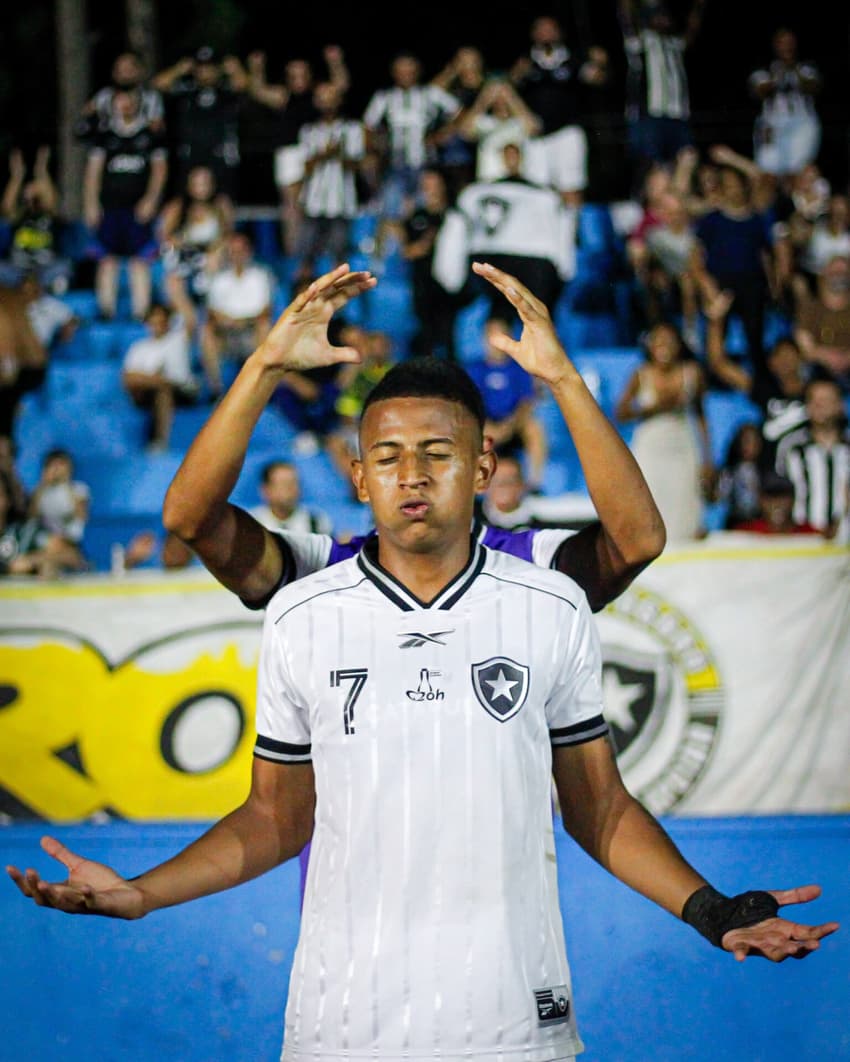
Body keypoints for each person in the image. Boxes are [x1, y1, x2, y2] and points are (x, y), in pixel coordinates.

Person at [8, 267, 838, 1062]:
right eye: (390, 457)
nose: (413, 475)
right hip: (342, 1026)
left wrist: (709, 910)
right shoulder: (308, 590)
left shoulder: (544, 591)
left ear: (481, 469)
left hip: (518, 1023)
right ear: (358, 475)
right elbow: (271, 813)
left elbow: (601, 802)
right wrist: (263, 362)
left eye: (438, 454)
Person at [433, 141, 576, 319]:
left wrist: (565, 266)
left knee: (536, 316)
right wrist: (450, 276)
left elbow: (562, 227)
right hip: (491, 257)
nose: (511, 160)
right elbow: (457, 227)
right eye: (507, 155)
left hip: (535, 260)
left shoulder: (545, 196)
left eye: (515, 154)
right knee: (495, 319)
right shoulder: (477, 192)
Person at [615, 320, 713, 543]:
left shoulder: (692, 374)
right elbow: (621, 413)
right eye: (658, 341)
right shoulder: (641, 374)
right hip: (650, 447)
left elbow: (701, 416)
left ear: (679, 344)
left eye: (669, 340)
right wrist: (657, 408)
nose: (663, 346)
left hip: (682, 445)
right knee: (651, 501)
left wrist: (708, 457)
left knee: (685, 503)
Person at [245, 48, 351, 255]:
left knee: (318, 202)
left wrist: (335, 62)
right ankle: (294, 253)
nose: (298, 79)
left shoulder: (318, 95)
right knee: (292, 207)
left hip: (314, 150)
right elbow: (258, 91)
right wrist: (256, 68)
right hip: (289, 153)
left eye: (302, 73)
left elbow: (341, 85)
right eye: (293, 74)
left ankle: (322, 251)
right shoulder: (283, 96)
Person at [82, 89, 169, 321]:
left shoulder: (151, 134)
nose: (125, 105)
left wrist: (151, 199)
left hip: (138, 209)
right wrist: (91, 204)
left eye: (130, 101)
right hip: (110, 208)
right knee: (106, 259)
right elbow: (93, 172)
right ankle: (105, 311)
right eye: (120, 101)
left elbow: (160, 171)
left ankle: (141, 313)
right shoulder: (104, 135)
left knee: (140, 260)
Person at [508, 13, 610, 208]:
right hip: (537, 136)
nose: (546, 33)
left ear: (559, 33)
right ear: (534, 34)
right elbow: (509, 89)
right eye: (541, 29)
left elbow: (598, 79)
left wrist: (601, 64)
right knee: (538, 190)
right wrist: (516, 75)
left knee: (571, 188)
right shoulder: (526, 63)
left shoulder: (574, 58)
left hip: (567, 132)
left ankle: (571, 234)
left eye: (550, 29)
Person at [616, 0, 706, 193]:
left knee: (685, 160)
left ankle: (677, 205)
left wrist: (698, 7)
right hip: (649, 114)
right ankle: (647, 209)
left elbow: (691, 31)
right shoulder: (640, 40)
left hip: (677, 113)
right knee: (651, 166)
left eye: (665, 16)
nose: (663, 19)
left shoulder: (673, 43)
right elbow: (626, 16)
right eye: (658, 16)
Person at [362, 51, 462, 221]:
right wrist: (373, 149)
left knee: (425, 208)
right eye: (401, 70)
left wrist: (441, 135)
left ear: (418, 71)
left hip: (426, 164)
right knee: (392, 208)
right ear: (394, 72)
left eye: (410, 69)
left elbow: (458, 112)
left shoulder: (430, 93)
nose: (406, 74)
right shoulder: (384, 97)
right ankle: (392, 246)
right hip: (395, 165)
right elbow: (368, 125)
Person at [289, 80, 365, 288]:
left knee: (339, 256)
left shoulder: (352, 129)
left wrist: (338, 153)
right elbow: (305, 166)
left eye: (331, 98)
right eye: (322, 99)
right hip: (314, 202)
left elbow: (356, 165)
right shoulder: (309, 131)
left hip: (341, 203)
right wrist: (324, 153)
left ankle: (338, 305)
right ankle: (303, 299)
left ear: (339, 100)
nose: (327, 103)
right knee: (306, 255)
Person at [465, 312, 548, 492]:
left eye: (500, 335)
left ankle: (535, 483)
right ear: (484, 338)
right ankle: (473, 483)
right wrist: (488, 426)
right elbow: (470, 403)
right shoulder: (475, 369)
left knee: (534, 428)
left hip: (514, 424)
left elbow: (527, 402)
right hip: (486, 425)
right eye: (491, 335)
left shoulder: (520, 368)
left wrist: (509, 426)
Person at [152, 45, 247, 200]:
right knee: (178, 204)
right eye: (201, 68)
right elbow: (158, 84)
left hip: (221, 158)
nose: (205, 72)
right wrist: (179, 69)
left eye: (210, 68)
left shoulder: (226, 90)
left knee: (223, 203)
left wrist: (234, 68)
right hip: (190, 157)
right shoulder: (186, 90)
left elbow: (243, 84)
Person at [157, 164, 234, 336]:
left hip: (213, 257)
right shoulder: (178, 206)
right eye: (197, 183)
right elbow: (164, 236)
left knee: (213, 262)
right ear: (189, 186)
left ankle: (212, 314)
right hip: (186, 257)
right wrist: (180, 242)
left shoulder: (221, 205)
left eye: (205, 183)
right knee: (173, 281)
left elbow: (229, 235)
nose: (201, 188)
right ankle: (190, 319)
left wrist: (216, 250)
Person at [199, 230, 274, 398]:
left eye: (241, 250)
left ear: (249, 251)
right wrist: (228, 321)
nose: (237, 255)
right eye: (233, 251)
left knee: (264, 327)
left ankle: (262, 387)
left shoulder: (261, 276)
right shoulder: (219, 279)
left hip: (251, 331)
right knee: (207, 332)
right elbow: (212, 311)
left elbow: (266, 310)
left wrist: (244, 321)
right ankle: (216, 389)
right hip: (227, 333)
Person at [774, 374, 850, 537]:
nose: (819, 405)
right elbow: (777, 494)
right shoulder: (791, 446)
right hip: (802, 540)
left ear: (840, 405)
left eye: (826, 400)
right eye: (814, 400)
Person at [748, 27, 823, 191]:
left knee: (798, 171)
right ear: (774, 45)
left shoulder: (806, 68)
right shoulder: (764, 68)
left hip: (801, 122)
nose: (786, 47)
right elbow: (760, 91)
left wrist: (793, 68)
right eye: (782, 42)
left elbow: (813, 87)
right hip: (772, 124)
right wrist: (779, 73)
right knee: (768, 170)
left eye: (790, 42)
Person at [399, 166, 460, 361]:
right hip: (422, 284)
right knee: (425, 335)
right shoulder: (417, 215)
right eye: (425, 184)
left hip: (446, 287)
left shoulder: (453, 216)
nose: (429, 188)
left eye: (433, 183)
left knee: (447, 337)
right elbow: (408, 251)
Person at [122, 301, 200, 451]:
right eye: (153, 321)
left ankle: (160, 441)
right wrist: (156, 379)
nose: (157, 324)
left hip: (181, 390)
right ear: (148, 323)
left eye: (161, 320)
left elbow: (191, 321)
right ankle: (158, 382)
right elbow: (128, 377)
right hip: (148, 392)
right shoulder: (139, 348)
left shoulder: (178, 340)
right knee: (147, 384)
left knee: (163, 391)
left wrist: (177, 293)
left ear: (168, 321)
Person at [0, 146, 73, 294]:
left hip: (45, 268)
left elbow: (50, 199)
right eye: (28, 189)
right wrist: (17, 177)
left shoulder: (48, 214)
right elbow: (7, 206)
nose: (32, 191)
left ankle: (50, 293)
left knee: (63, 267)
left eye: (36, 189)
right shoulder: (18, 215)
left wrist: (41, 169)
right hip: (17, 269)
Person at [792, 253, 850, 394]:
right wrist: (829, 358)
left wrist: (846, 358)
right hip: (819, 366)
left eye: (843, 272)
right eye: (834, 271)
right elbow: (805, 345)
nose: (839, 276)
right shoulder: (810, 307)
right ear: (824, 274)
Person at [27, 448, 90, 564]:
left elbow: (82, 516)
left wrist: (66, 483)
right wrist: (44, 483)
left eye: (61, 464)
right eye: (53, 465)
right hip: (44, 542)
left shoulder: (79, 489)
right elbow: (31, 518)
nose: (57, 469)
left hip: (71, 542)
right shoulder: (40, 492)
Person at [249, 459, 332, 535]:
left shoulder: (316, 523)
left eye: (294, 483)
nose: (291, 489)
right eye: (284, 484)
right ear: (266, 490)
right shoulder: (251, 523)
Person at [733, 470, 822, 535]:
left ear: (793, 500)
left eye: (783, 497)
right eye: (770, 498)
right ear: (760, 501)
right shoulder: (745, 534)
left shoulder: (808, 534)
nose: (777, 504)